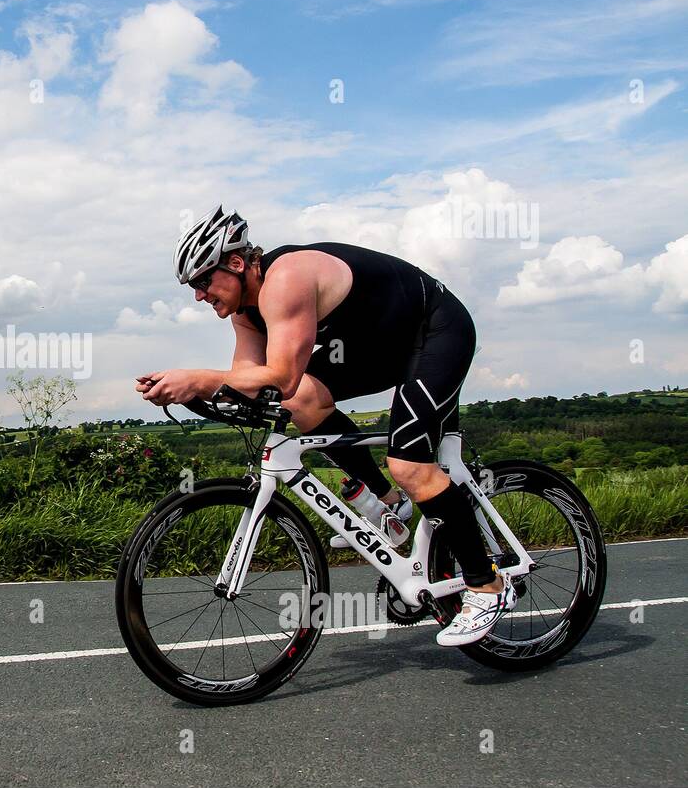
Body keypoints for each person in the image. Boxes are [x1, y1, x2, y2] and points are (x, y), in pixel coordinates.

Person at [136, 206, 515, 646]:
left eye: (204, 281)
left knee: (411, 465)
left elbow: (279, 376)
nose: (199, 296)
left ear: (236, 264)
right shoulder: (246, 313)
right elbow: (250, 385)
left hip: (434, 331)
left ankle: (486, 586)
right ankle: (388, 502)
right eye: (193, 287)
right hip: (379, 347)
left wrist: (200, 378)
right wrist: (195, 392)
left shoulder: (287, 279)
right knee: (302, 402)